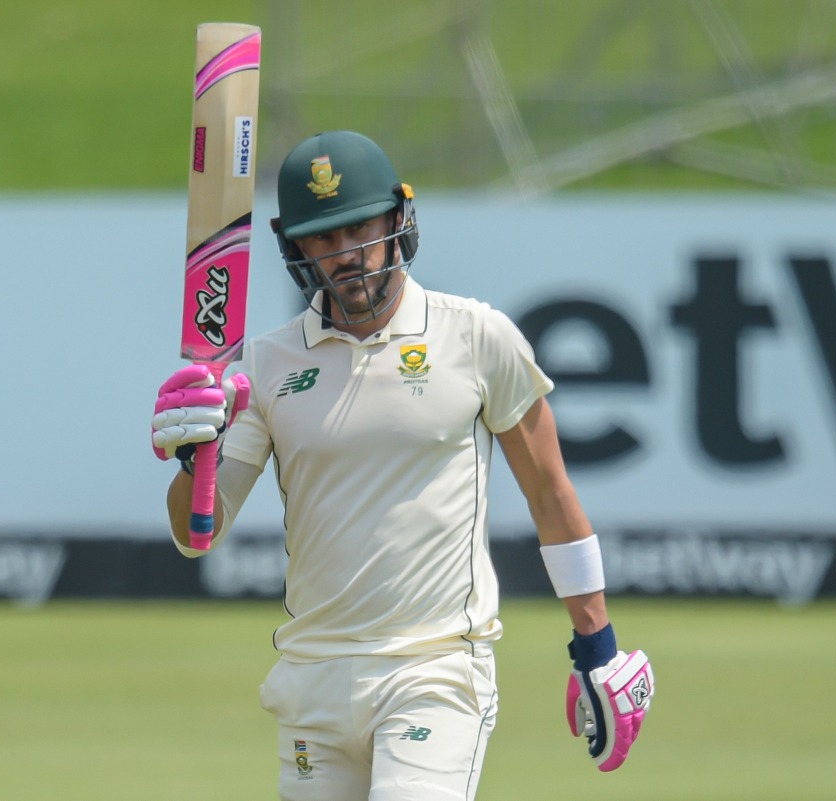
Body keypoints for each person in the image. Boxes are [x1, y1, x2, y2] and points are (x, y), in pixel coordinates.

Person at [151, 130, 654, 800]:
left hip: (436, 670)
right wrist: (197, 453)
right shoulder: (265, 366)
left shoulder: (475, 336)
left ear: (397, 220)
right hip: (313, 678)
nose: (346, 255)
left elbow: (548, 491)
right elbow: (196, 533)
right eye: (323, 239)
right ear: (296, 248)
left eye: (359, 230)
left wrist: (597, 642)